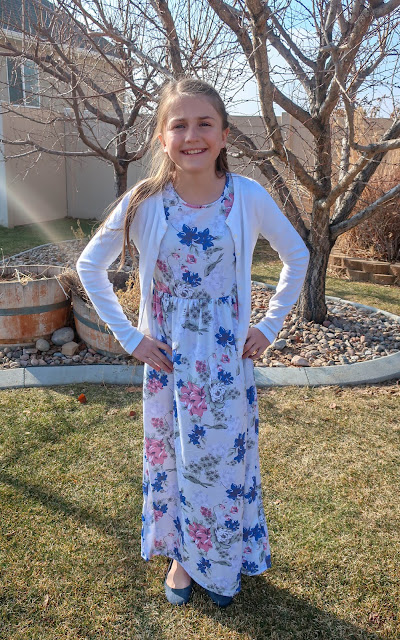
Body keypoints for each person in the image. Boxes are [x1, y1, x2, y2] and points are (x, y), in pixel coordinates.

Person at [76, 77, 309, 608]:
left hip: (224, 359)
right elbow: (90, 265)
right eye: (178, 125)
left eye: (205, 123)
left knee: (223, 460)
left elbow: (296, 256)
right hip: (168, 359)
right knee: (175, 458)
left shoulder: (247, 196)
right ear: (162, 137)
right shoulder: (145, 200)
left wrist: (269, 326)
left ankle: (223, 561)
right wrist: (130, 337)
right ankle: (182, 556)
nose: (192, 135)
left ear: (224, 134)